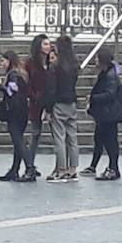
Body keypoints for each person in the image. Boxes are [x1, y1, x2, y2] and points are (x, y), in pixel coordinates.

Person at [84, 46, 122, 181]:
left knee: (110, 141)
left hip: (109, 114)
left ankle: (113, 168)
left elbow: (110, 94)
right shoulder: (107, 73)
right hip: (105, 114)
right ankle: (95, 166)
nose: (95, 60)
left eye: (97, 58)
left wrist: (93, 98)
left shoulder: (110, 76)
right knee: (100, 139)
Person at [0, 51, 35, 182]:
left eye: (3, 61)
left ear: (9, 60)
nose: (1, 64)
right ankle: (14, 169)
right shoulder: (22, 73)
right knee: (18, 140)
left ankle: (30, 167)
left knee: (18, 140)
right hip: (22, 110)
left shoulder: (13, 74)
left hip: (14, 111)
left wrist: (0, 85)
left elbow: (11, 91)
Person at [44, 35, 80, 183]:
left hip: (59, 103)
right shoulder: (74, 65)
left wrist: (48, 108)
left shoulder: (56, 67)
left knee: (59, 137)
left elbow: (52, 89)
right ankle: (73, 168)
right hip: (71, 102)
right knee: (72, 137)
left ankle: (61, 169)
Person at [25, 34, 51, 177]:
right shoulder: (31, 63)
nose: (48, 47)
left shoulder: (51, 61)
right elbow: (27, 83)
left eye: (49, 44)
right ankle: (30, 164)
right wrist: (34, 96)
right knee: (35, 133)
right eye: (45, 44)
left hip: (50, 101)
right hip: (36, 102)